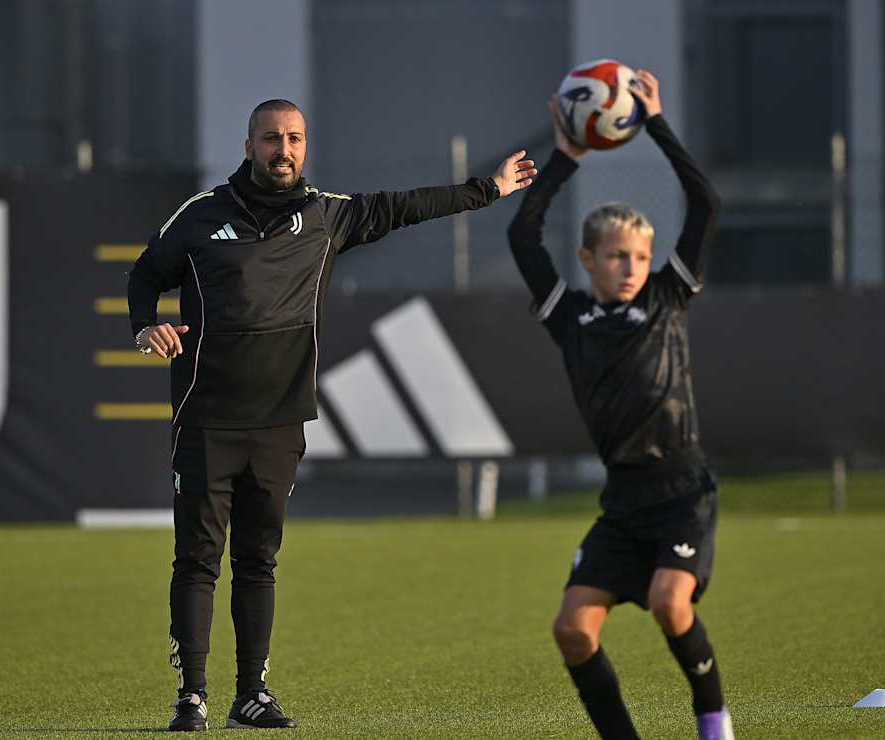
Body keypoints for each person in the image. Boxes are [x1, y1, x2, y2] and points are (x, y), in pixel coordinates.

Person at [127, 98, 535, 732]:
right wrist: (144, 326)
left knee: (258, 561)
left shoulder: (327, 217)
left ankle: (250, 694)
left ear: (305, 146)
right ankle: (192, 697)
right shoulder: (200, 218)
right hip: (206, 417)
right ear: (249, 146)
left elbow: (408, 206)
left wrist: (489, 189)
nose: (282, 149)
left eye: (293, 138)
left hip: (280, 421)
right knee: (198, 559)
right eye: (270, 139)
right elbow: (143, 276)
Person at [506, 72, 731, 739]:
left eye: (639, 255)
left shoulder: (667, 297)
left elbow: (706, 203)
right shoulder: (568, 317)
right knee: (572, 630)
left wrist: (656, 123)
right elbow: (523, 235)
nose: (631, 266)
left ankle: (714, 726)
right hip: (623, 502)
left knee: (670, 603)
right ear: (588, 259)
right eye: (615, 256)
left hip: (683, 490)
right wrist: (566, 156)